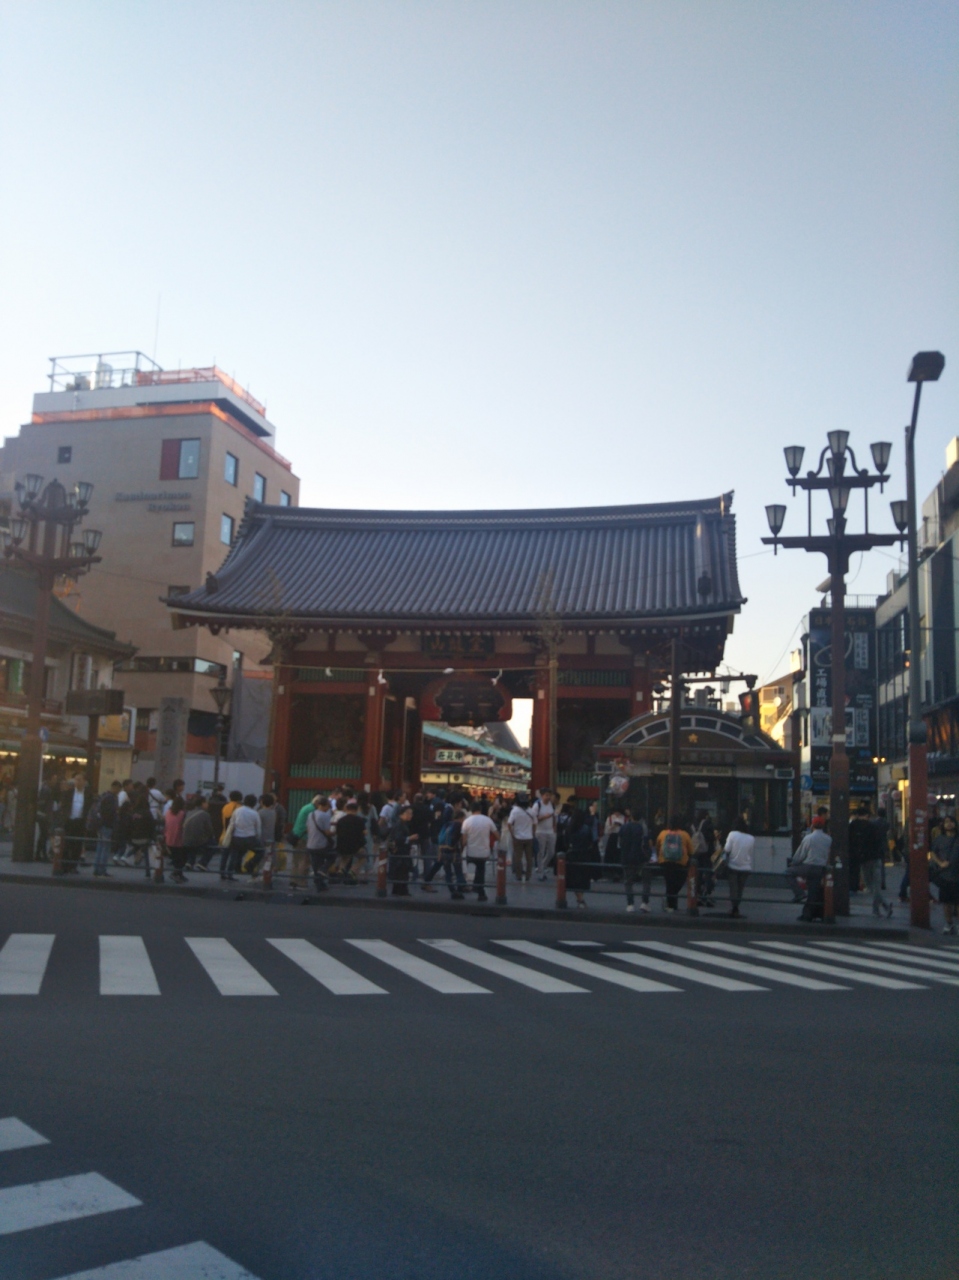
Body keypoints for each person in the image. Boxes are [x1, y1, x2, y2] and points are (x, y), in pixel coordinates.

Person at [852, 802, 894, 918]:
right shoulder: (873, 826)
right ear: (867, 815)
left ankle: (882, 907)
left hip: (864, 859)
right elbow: (879, 841)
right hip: (876, 858)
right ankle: (880, 908)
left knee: (870, 887)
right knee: (876, 886)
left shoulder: (853, 826)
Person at [423, 802, 467, 899]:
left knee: (448, 873)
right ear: (461, 818)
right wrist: (462, 848)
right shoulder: (459, 825)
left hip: (443, 851)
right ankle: (460, 890)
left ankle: (452, 890)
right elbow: (462, 841)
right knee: (458, 872)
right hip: (454, 852)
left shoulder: (447, 824)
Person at [792, 816, 832, 922]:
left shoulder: (808, 838)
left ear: (812, 825)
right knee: (813, 891)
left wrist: (794, 862)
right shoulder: (828, 839)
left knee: (787, 873)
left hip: (808, 866)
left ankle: (799, 893)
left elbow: (800, 854)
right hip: (820, 868)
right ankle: (809, 914)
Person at [461, 800, 497, 902]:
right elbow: (497, 835)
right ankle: (480, 891)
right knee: (481, 870)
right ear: (480, 809)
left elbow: (464, 841)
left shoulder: (466, 821)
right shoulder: (487, 820)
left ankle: (465, 887)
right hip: (483, 852)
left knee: (464, 867)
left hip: (470, 851)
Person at [655, 814, 692, 913]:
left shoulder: (663, 833)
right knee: (678, 882)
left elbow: (657, 846)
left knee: (669, 882)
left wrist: (659, 857)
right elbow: (691, 850)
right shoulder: (685, 835)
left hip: (665, 861)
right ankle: (671, 903)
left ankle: (670, 904)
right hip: (680, 862)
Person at [60, 772, 94, 874]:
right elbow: (64, 806)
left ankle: (73, 866)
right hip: (69, 821)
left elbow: (89, 808)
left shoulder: (88, 794)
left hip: (80, 822)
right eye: (76, 779)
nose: (77, 782)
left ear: (84, 782)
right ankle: (64, 865)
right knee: (67, 844)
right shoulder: (69, 793)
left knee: (77, 845)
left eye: (79, 780)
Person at [930, 814, 959, 935]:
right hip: (945, 875)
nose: (949, 824)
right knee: (946, 902)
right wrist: (940, 863)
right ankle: (949, 923)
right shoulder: (939, 839)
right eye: (946, 822)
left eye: (951, 821)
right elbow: (933, 853)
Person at [721, 816, 754, 919]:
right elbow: (750, 853)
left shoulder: (732, 834)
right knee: (740, 889)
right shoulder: (751, 838)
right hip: (745, 867)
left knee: (733, 888)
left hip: (733, 865)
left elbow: (727, 849)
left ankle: (734, 908)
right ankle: (736, 907)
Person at [619, 808, 650, 913]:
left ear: (631, 817)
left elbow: (620, 843)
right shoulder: (643, 827)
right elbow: (646, 843)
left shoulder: (624, 827)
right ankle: (644, 902)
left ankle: (630, 904)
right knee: (646, 880)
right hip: (640, 857)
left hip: (626, 857)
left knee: (628, 881)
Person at [223, 794, 261, 881]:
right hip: (250, 838)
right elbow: (258, 828)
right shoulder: (255, 813)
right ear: (254, 804)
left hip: (237, 837)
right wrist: (257, 837)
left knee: (234, 855)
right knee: (260, 851)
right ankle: (250, 864)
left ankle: (230, 873)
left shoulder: (237, 811)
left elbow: (232, 823)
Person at [332, 798, 366, 885]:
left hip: (342, 845)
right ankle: (352, 871)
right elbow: (364, 832)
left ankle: (341, 870)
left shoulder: (341, 820)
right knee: (363, 857)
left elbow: (337, 832)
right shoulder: (360, 820)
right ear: (356, 810)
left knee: (345, 857)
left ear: (347, 809)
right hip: (355, 846)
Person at [181, 797, 216, 879]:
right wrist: (211, 836)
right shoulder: (205, 814)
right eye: (206, 802)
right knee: (213, 844)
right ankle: (203, 863)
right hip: (198, 840)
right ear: (202, 803)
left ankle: (190, 862)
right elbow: (209, 829)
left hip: (185, 839)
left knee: (193, 844)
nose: (207, 804)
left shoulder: (189, 812)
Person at [566, 808, 594, 908]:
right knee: (583, 879)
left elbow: (565, 842)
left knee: (574, 878)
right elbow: (591, 842)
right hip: (584, 855)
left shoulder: (570, 828)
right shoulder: (586, 828)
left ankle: (580, 899)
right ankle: (581, 899)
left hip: (572, 855)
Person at [93, 779, 121, 877]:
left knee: (100, 847)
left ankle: (97, 869)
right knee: (105, 848)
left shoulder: (105, 796)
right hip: (107, 825)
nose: (119, 791)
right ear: (115, 788)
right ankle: (102, 869)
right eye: (118, 789)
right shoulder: (111, 798)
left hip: (101, 824)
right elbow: (110, 813)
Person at [387, 803, 417, 896]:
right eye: (408, 813)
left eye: (411, 813)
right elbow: (398, 839)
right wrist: (409, 838)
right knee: (402, 872)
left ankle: (397, 890)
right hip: (401, 852)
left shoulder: (401, 824)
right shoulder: (400, 825)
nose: (410, 815)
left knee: (400, 872)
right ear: (401, 814)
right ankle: (402, 890)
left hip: (400, 852)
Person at [304, 796, 333, 891]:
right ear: (325, 805)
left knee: (315, 864)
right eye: (328, 806)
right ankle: (323, 871)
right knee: (332, 855)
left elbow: (308, 828)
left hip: (310, 843)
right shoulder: (325, 816)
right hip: (321, 844)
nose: (328, 808)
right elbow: (327, 832)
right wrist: (335, 832)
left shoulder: (311, 814)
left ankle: (319, 884)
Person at [691, 810, 716, 907]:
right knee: (708, 873)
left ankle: (697, 894)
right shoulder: (707, 824)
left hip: (695, 853)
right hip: (706, 853)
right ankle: (706, 894)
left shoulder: (693, 824)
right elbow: (711, 838)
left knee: (697, 873)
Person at [507, 794, 535, 882]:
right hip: (529, 837)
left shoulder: (515, 811)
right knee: (529, 858)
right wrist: (533, 833)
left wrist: (512, 834)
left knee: (518, 858)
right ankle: (528, 875)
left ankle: (518, 875)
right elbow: (535, 823)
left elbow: (509, 823)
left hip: (517, 837)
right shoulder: (531, 811)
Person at [531, 788, 557, 880]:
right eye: (546, 795)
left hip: (550, 831)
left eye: (549, 795)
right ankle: (541, 873)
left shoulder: (551, 805)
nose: (548, 797)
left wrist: (554, 827)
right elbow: (533, 819)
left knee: (551, 852)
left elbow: (554, 816)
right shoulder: (537, 805)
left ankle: (542, 866)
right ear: (542, 796)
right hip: (540, 831)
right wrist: (544, 817)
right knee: (540, 852)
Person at [164, 795, 187, 882]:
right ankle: (176, 874)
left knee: (176, 858)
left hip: (168, 838)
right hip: (178, 838)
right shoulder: (182, 813)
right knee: (181, 858)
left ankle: (179, 874)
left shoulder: (168, 812)